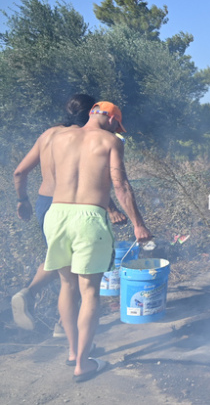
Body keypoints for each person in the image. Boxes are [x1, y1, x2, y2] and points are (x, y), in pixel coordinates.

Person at [43, 101, 152, 382]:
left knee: (67, 285)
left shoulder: (58, 137)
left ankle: (72, 352)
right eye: (118, 125)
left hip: (56, 214)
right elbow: (121, 185)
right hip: (89, 218)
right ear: (112, 119)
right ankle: (83, 364)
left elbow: (54, 179)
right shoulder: (111, 141)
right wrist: (138, 224)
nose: (117, 130)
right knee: (90, 291)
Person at [11, 95, 127, 334]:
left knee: (61, 260)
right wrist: (112, 208)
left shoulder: (49, 135)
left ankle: (38, 302)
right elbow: (89, 181)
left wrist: (22, 200)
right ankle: (64, 327)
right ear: (91, 113)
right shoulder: (84, 138)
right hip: (74, 206)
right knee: (79, 271)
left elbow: (19, 172)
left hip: (46, 205)